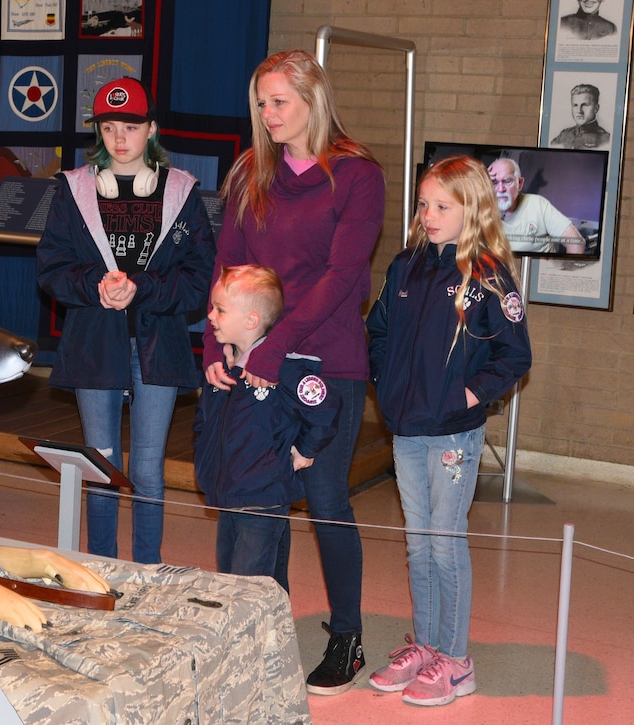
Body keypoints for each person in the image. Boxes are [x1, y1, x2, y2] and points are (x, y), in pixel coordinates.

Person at [202, 49, 385, 696]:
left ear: (313, 99)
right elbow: (227, 265)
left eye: (279, 101)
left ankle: (347, 635)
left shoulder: (357, 175)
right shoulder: (252, 171)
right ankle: (264, 628)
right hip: (255, 359)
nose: (268, 114)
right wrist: (214, 344)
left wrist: (275, 346)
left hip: (324, 360)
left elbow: (342, 277)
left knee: (327, 499)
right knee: (259, 494)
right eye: (261, 103)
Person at [365, 155, 532, 707]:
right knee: (418, 544)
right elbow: (378, 332)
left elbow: (514, 356)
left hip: (454, 434)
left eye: (442, 206)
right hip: (406, 428)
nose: (428, 215)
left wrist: (464, 396)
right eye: (423, 204)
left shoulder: (488, 276)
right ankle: (428, 647)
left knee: (444, 541)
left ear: (473, 209)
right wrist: (388, 385)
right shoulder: (405, 266)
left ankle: (457, 662)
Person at [36, 76, 216, 564]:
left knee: (149, 470)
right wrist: (95, 285)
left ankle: (147, 570)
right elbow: (52, 267)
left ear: (151, 129)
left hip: (158, 345)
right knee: (102, 465)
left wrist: (145, 288)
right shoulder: (73, 189)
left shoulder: (181, 192)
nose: (119, 138)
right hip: (96, 343)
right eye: (109, 127)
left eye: (131, 127)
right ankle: (102, 568)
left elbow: (200, 276)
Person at [194, 264, 340, 592]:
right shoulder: (223, 370)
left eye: (220, 309)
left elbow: (325, 405)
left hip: (262, 498)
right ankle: (273, 624)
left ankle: (253, 627)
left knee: (247, 584)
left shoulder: (283, 369)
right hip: (228, 493)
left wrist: (305, 449)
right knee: (234, 576)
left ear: (251, 320)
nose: (211, 316)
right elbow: (204, 422)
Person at [486, 158, 586, 254]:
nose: (500, 189)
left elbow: (577, 243)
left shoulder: (538, 204)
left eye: (507, 181)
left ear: (519, 183)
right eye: (494, 182)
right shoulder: (483, 210)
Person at [550, 83, 610, 150]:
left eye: (585, 105)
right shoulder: (563, 135)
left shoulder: (605, 140)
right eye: (575, 105)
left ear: (596, 108)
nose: (579, 111)